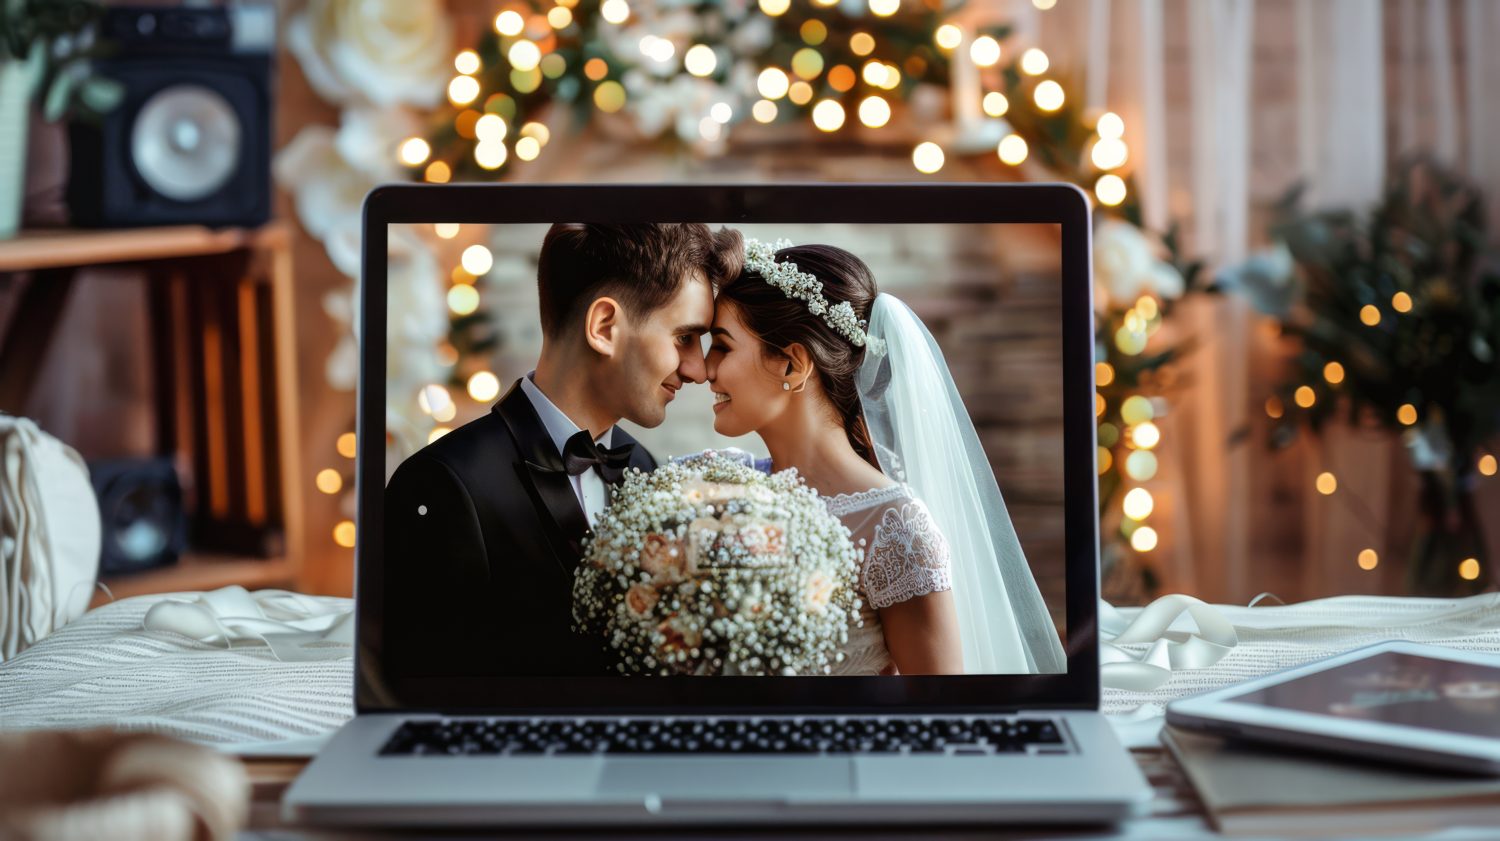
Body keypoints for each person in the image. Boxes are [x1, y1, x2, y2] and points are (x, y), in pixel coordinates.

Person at [383, 222, 743, 676]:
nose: (696, 369)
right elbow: (425, 694)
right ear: (605, 326)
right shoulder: (441, 485)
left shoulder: (643, 467)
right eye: (684, 338)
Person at [705, 239, 1066, 675]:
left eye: (722, 346)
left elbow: (938, 711)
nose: (703, 368)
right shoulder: (716, 481)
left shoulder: (894, 529)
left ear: (791, 365)